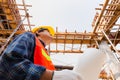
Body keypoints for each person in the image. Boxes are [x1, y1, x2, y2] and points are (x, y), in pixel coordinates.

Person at [0, 26, 83, 80]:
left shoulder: (45, 53)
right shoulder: (29, 37)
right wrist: (52, 76)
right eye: (48, 31)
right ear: (38, 32)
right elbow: (10, 64)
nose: (51, 34)